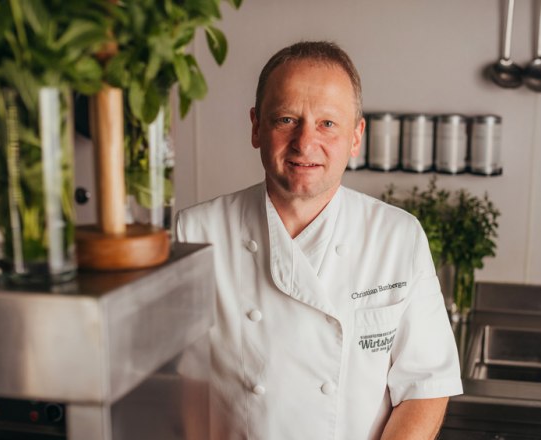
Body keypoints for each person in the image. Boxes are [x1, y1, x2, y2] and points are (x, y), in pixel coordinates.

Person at [175, 41, 462, 439]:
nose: (305, 143)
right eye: (287, 119)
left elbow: (426, 387)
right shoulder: (195, 233)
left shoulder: (398, 236)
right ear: (257, 126)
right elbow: (166, 387)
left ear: (356, 135)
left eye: (327, 123)